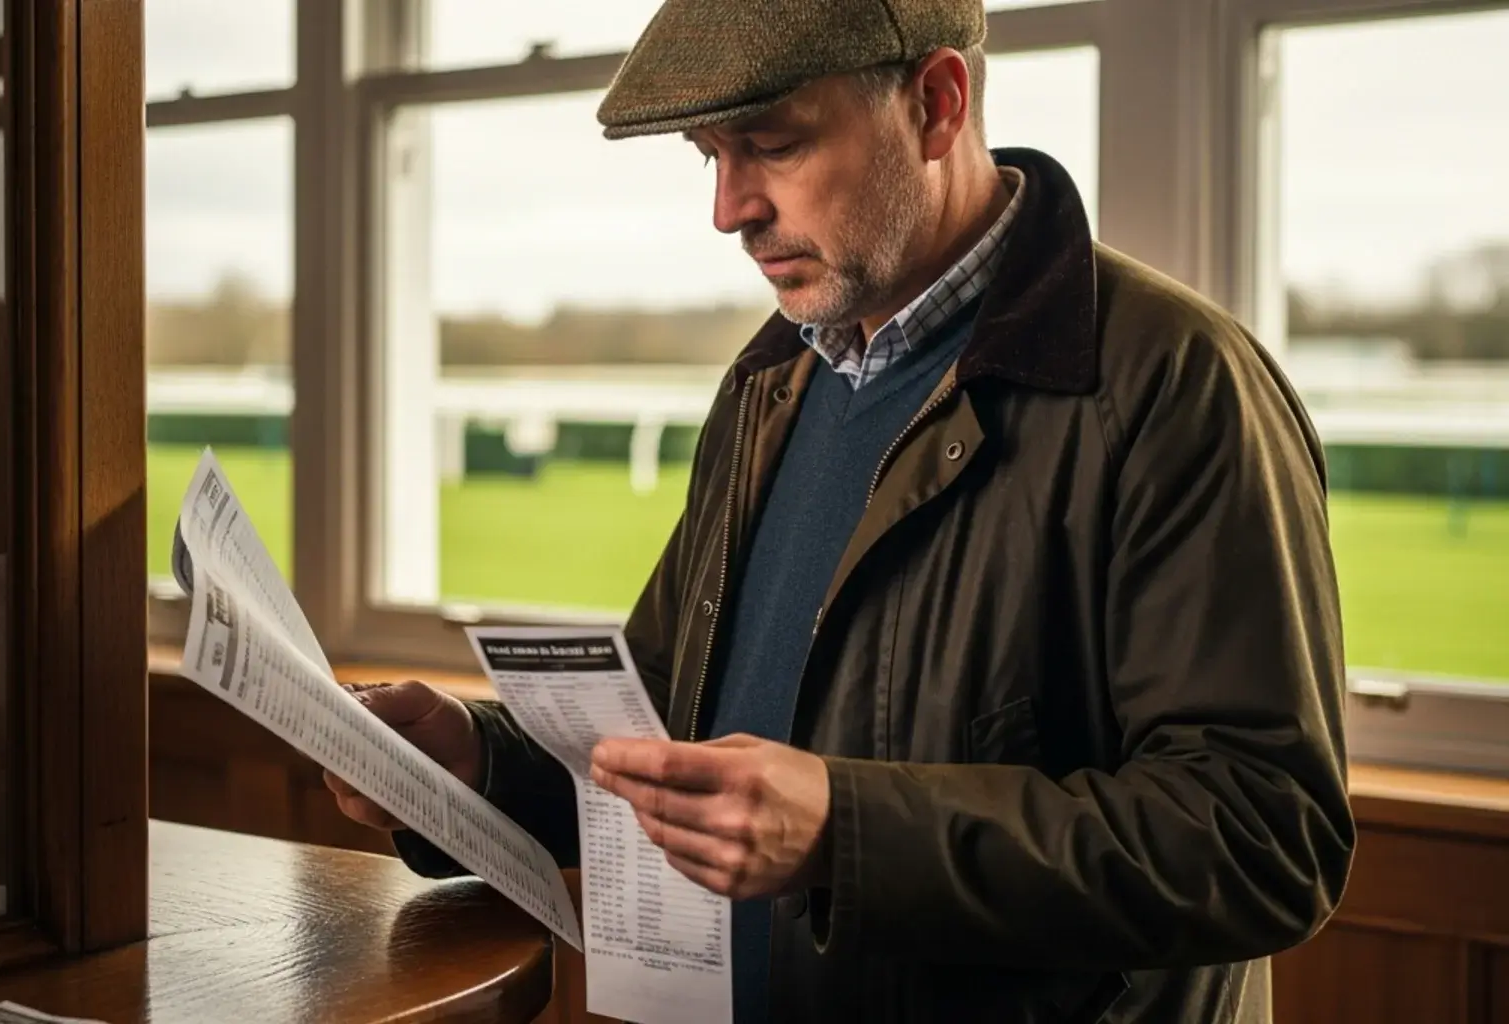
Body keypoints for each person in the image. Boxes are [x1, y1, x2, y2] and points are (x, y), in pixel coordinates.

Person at [323, 0, 1356, 1020]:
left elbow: (1263, 838)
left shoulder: (1176, 385)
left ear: (937, 105)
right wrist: (472, 760)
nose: (729, 209)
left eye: (771, 146)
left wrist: (843, 830)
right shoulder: (771, 383)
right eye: (709, 158)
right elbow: (672, 743)